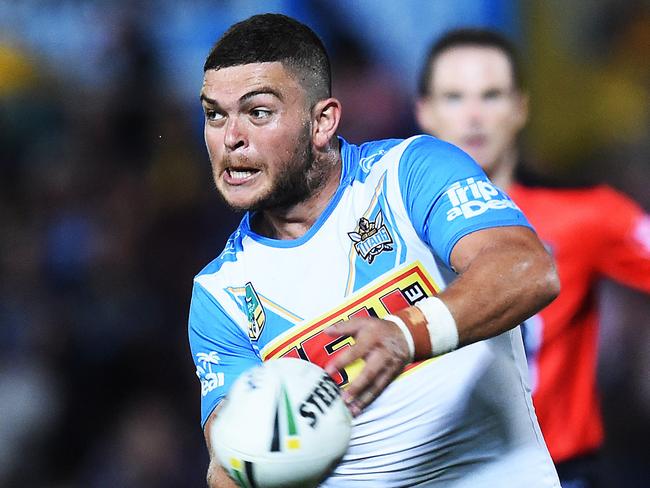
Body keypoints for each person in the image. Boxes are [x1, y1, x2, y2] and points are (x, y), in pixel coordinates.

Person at [189, 14, 561, 487]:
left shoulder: (408, 174)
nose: (230, 137)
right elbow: (231, 462)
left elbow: (525, 268)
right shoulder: (218, 295)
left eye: (258, 112)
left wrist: (406, 335)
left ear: (321, 122)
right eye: (214, 114)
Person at [414, 28, 650, 487]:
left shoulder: (588, 212)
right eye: (455, 97)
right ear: (424, 110)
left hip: (558, 473)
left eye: (492, 95)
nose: (475, 115)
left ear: (521, 106)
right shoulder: (380, 228)